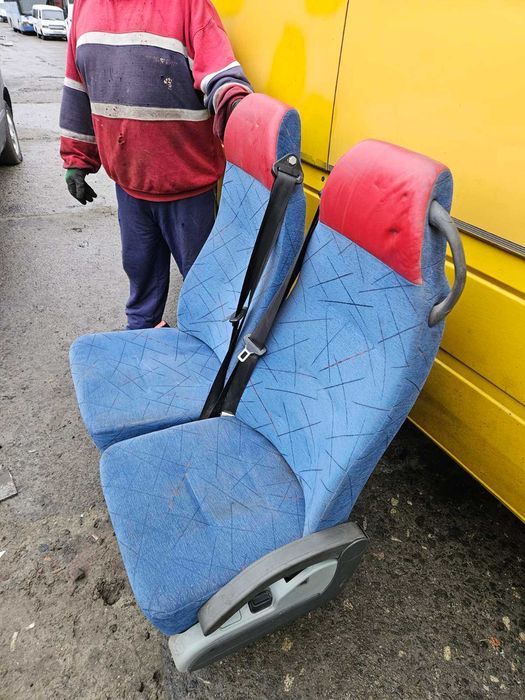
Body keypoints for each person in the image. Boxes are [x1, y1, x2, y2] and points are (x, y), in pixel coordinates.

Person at [59, 0, 252, 329]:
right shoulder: (84, 8)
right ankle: (143, 334)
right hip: (129, 188)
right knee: (141, 284)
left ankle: (210, 347)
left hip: (188, 191)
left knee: (206, 292)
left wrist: (235, 104)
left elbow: (220, 73)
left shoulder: (188, 5)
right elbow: (78, 86)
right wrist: (77, 158)